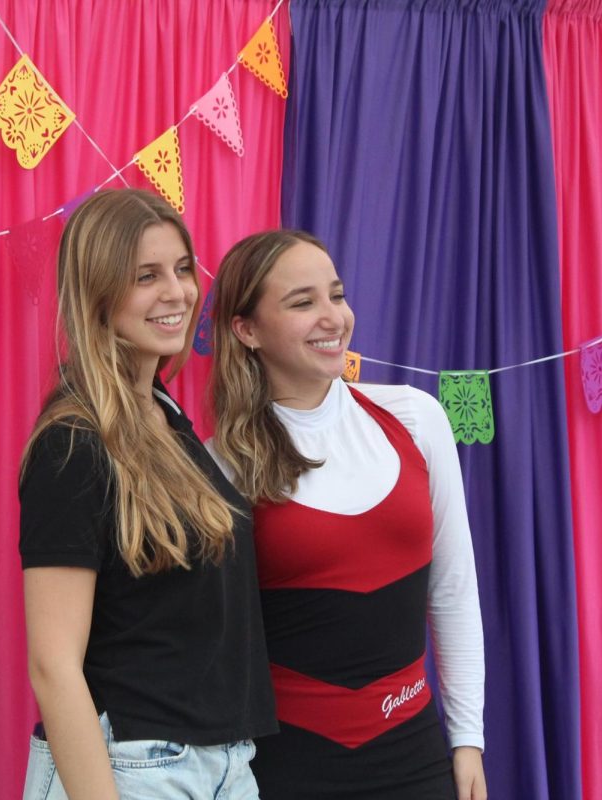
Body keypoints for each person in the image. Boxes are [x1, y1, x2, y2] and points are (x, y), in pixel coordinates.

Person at [207, 230, 487, 800]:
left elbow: (453, 590)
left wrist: (468, 739)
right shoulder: (221, 465)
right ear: (247, 330)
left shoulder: (416, 418)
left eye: (336, 295)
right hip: (286, 766)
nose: (333, 316)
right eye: (303, 302)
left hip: (415, 758)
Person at [17, 189, 277, 800]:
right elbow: (53, 666)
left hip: (222, 766)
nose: (178, 292)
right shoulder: (73, 443)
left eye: (183, 269)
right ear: (98, 292)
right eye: (146, 276)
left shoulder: (163, 418)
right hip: (135, 770)